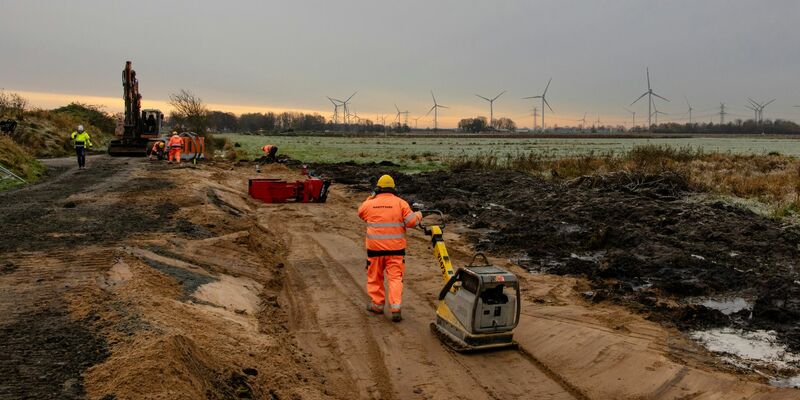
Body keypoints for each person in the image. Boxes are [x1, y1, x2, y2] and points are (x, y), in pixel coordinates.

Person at [357, 174, 422, 322]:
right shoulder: (401, 203)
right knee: (395, 279)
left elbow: (361, 212)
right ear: (393, 188)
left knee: (375, 277)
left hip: (374, 251)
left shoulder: (370, 204)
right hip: (396, 251)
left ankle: (377, 305)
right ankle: (396, 308)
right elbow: (412, 222)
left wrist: (371, 197)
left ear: (378, 188)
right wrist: (418, 214)